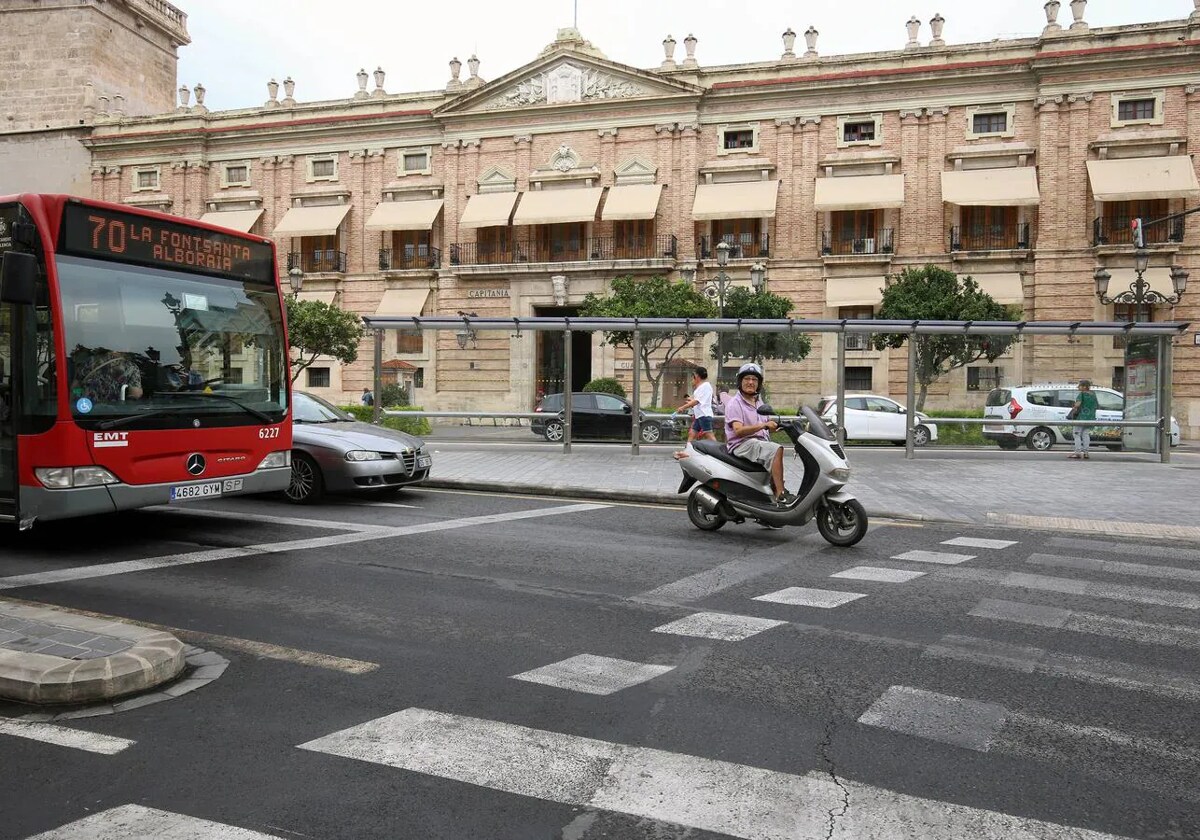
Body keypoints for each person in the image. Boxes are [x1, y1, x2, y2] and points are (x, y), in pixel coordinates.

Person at [724, 362, 790, 505]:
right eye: (747, 378)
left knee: (772, 451)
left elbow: (765, 424)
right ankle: (780, 493)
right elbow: (738, 431)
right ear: (740, 381)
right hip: (741, 444)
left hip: (757, 443)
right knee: (776, 449)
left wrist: (778, 426)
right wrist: (763, 425)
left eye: (754, 380)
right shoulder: (735, 403)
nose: (750, 382)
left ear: (759, 383)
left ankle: (769, 503)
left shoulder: (758, 401)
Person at [674, 366, 716, 457]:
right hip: (699, 416)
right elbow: (696, 400)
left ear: (696, 376)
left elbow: (697, 401)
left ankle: (719, 453)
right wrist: (690, 400)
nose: (691, 380)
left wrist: (683, 407)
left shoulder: (705, 386)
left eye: (692, 377)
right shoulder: (701, 387)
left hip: (704, 415)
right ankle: (687, 452)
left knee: (709, 435)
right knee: (692, 433)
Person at [73, 349, 142, 403]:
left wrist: (77, 400)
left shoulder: (90, 361)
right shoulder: (130, 366)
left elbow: (76, 386)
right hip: (115, 413)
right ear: (125, 349)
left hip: (87, 410)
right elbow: (135, 394)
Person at [1069, 379, 1098, 460]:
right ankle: (1086, 453)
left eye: (1079, 386)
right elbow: (1096, 405)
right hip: (1090, 417)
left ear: (1085, 387)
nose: (1078, 387)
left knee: (1076, 434)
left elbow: (1078, 404)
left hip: (1081, 417)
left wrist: (1074, 407)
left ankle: (1077, 452)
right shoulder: (1093, 394)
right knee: (1085, 434)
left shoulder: (1081, 394)